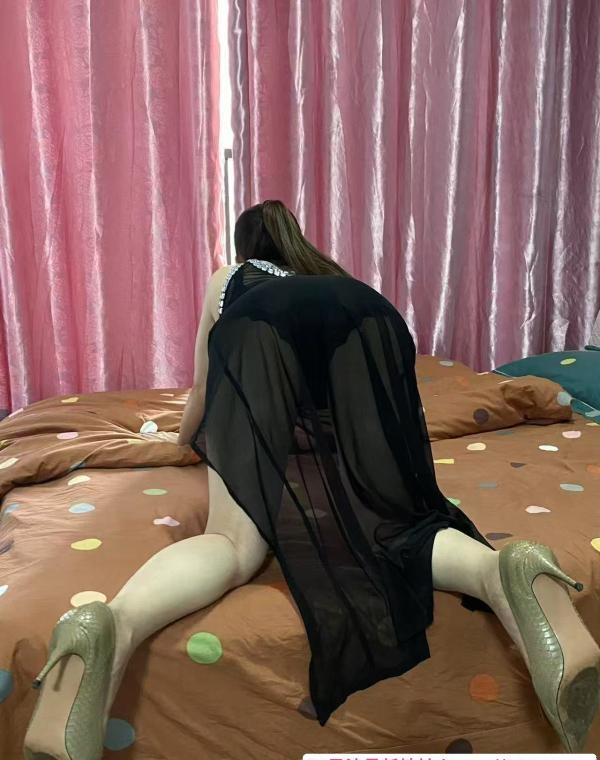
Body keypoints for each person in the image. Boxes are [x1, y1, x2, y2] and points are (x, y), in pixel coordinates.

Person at [24, 201, 599, 759]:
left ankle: (117, 623)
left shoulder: (231, 279)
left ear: (246, 247)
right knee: (399, 524)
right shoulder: (329, 276)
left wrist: (182, 441)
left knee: (232, 543)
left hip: (260, 332)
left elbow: (206, 386)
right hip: (373, 317)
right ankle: (500, 571)